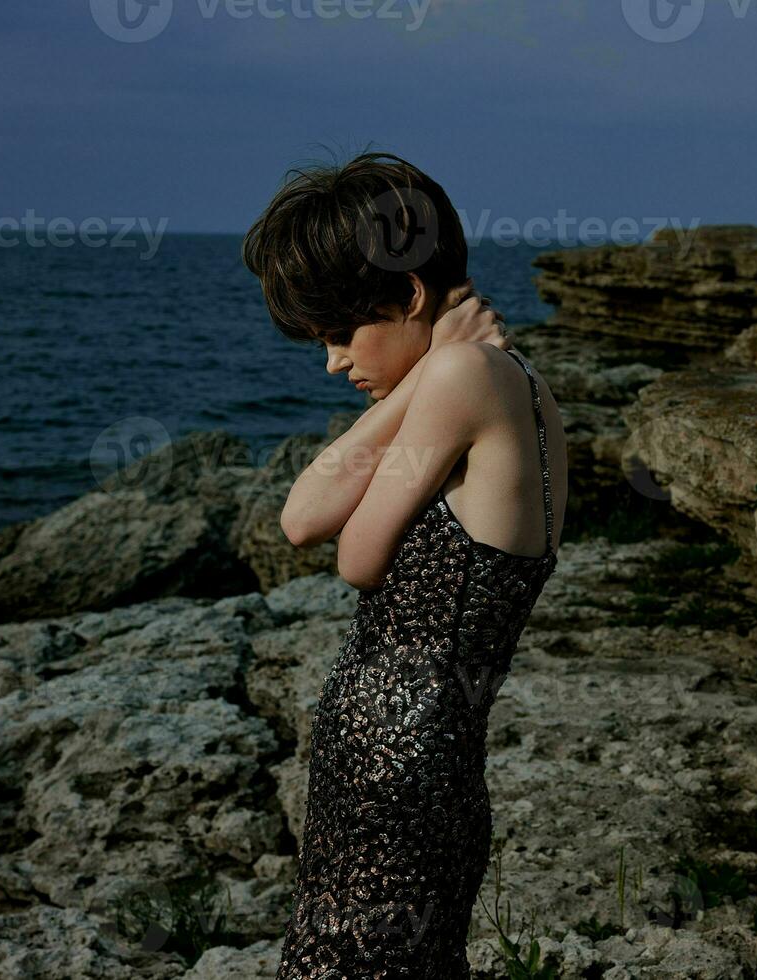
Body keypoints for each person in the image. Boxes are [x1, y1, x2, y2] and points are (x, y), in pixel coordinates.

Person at [243, 150, 566, 978]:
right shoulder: (502, 379)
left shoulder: (467, 373)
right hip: (421, 762)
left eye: (342, 334)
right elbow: (301, 514)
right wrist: (416, 387)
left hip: (398, 773)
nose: (334, 362)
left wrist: (429, 380)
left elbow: (354, 554)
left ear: (410, 295)